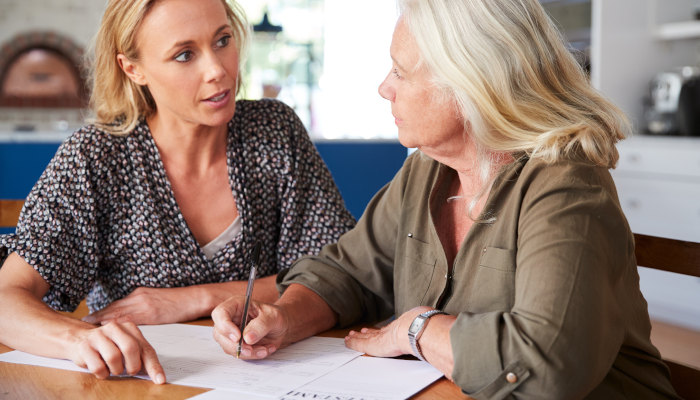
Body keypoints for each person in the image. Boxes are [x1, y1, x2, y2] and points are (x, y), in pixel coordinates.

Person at [211, 0, 680, 398]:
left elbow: (547, 364)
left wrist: (417, 329)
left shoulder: (566, 183)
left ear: (472, 83)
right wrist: (284, 317)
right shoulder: (429, 169)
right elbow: (348, 272)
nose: (383, 88)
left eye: (400, 71)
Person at [0, 0, 354, 385]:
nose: (217, 70)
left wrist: (197, 297)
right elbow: (6, 300)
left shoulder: (274, 132)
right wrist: (80, 339)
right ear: (133, 69)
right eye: (185, 55)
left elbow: (344, 273)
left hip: (281, 381)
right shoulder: (95, 158)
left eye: (222, 40)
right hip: (142, 387)